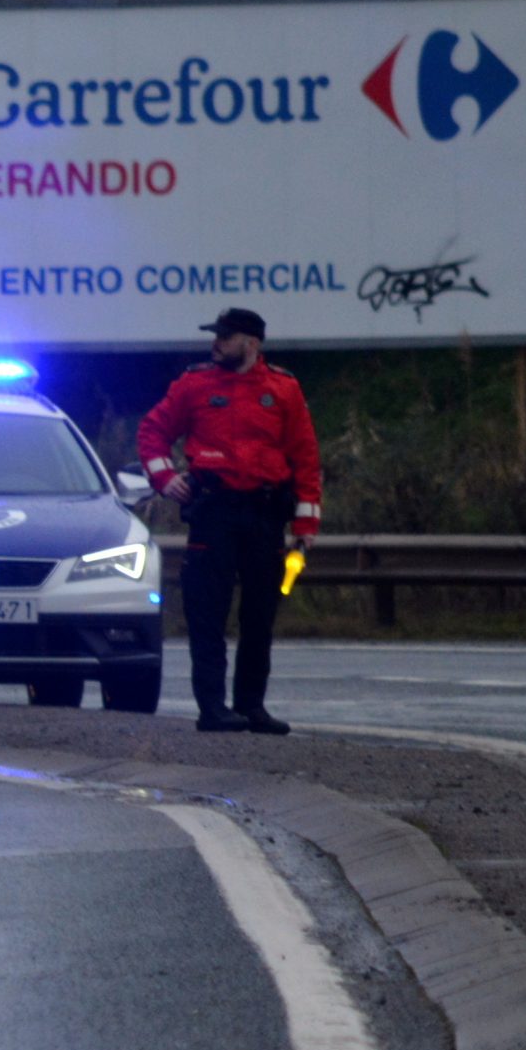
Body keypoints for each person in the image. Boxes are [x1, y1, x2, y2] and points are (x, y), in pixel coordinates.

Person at [137, 306, 322, 734]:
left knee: (259, 617)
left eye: (225, 336)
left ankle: (251, 706)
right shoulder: (194, 385)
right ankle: (213, 708)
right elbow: (152, 432)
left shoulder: (283, 389)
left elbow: (305, 459)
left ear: (251, 343)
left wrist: (306, 525)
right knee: (207, 615)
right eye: (215, 335)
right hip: (214, 513)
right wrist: (165, 478)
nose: (215, 342)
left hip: (264, 514)